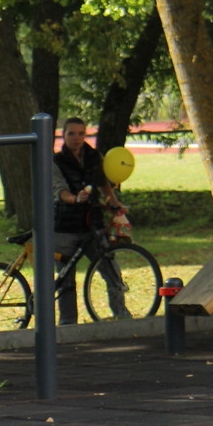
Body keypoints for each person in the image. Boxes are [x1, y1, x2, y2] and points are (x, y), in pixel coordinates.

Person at [52, 117, 128, 323]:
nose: (76, 138)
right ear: (63, 135)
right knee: (66, 280)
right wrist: (74, 198)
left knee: (111, 269)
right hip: (64, 227)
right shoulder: (56, 161)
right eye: (71, 134)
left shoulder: (95, 157)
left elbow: (104, 185)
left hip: (93, 225)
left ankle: (122, 314)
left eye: (81, 133)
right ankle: (68, 324)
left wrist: (113, 204)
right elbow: (59, 190)